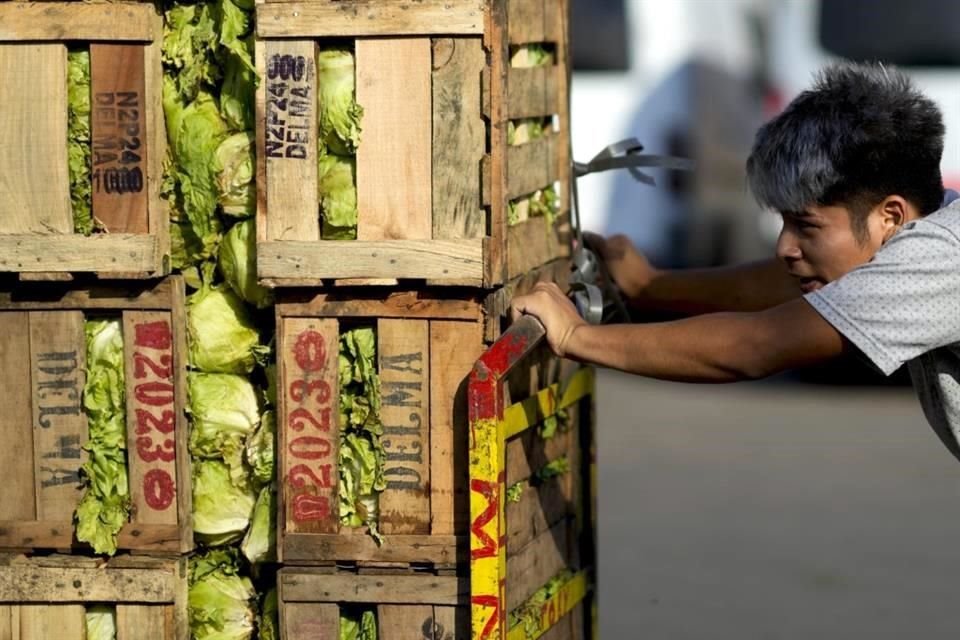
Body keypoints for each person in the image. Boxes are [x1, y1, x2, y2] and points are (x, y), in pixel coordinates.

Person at [512, 62, 960, 459]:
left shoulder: (938, 257)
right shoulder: (933, 223)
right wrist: (650, 284)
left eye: (807, 226)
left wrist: (575, 335)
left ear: (890, 216)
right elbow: (786, 290)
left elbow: (758, 346)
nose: (785, 246)